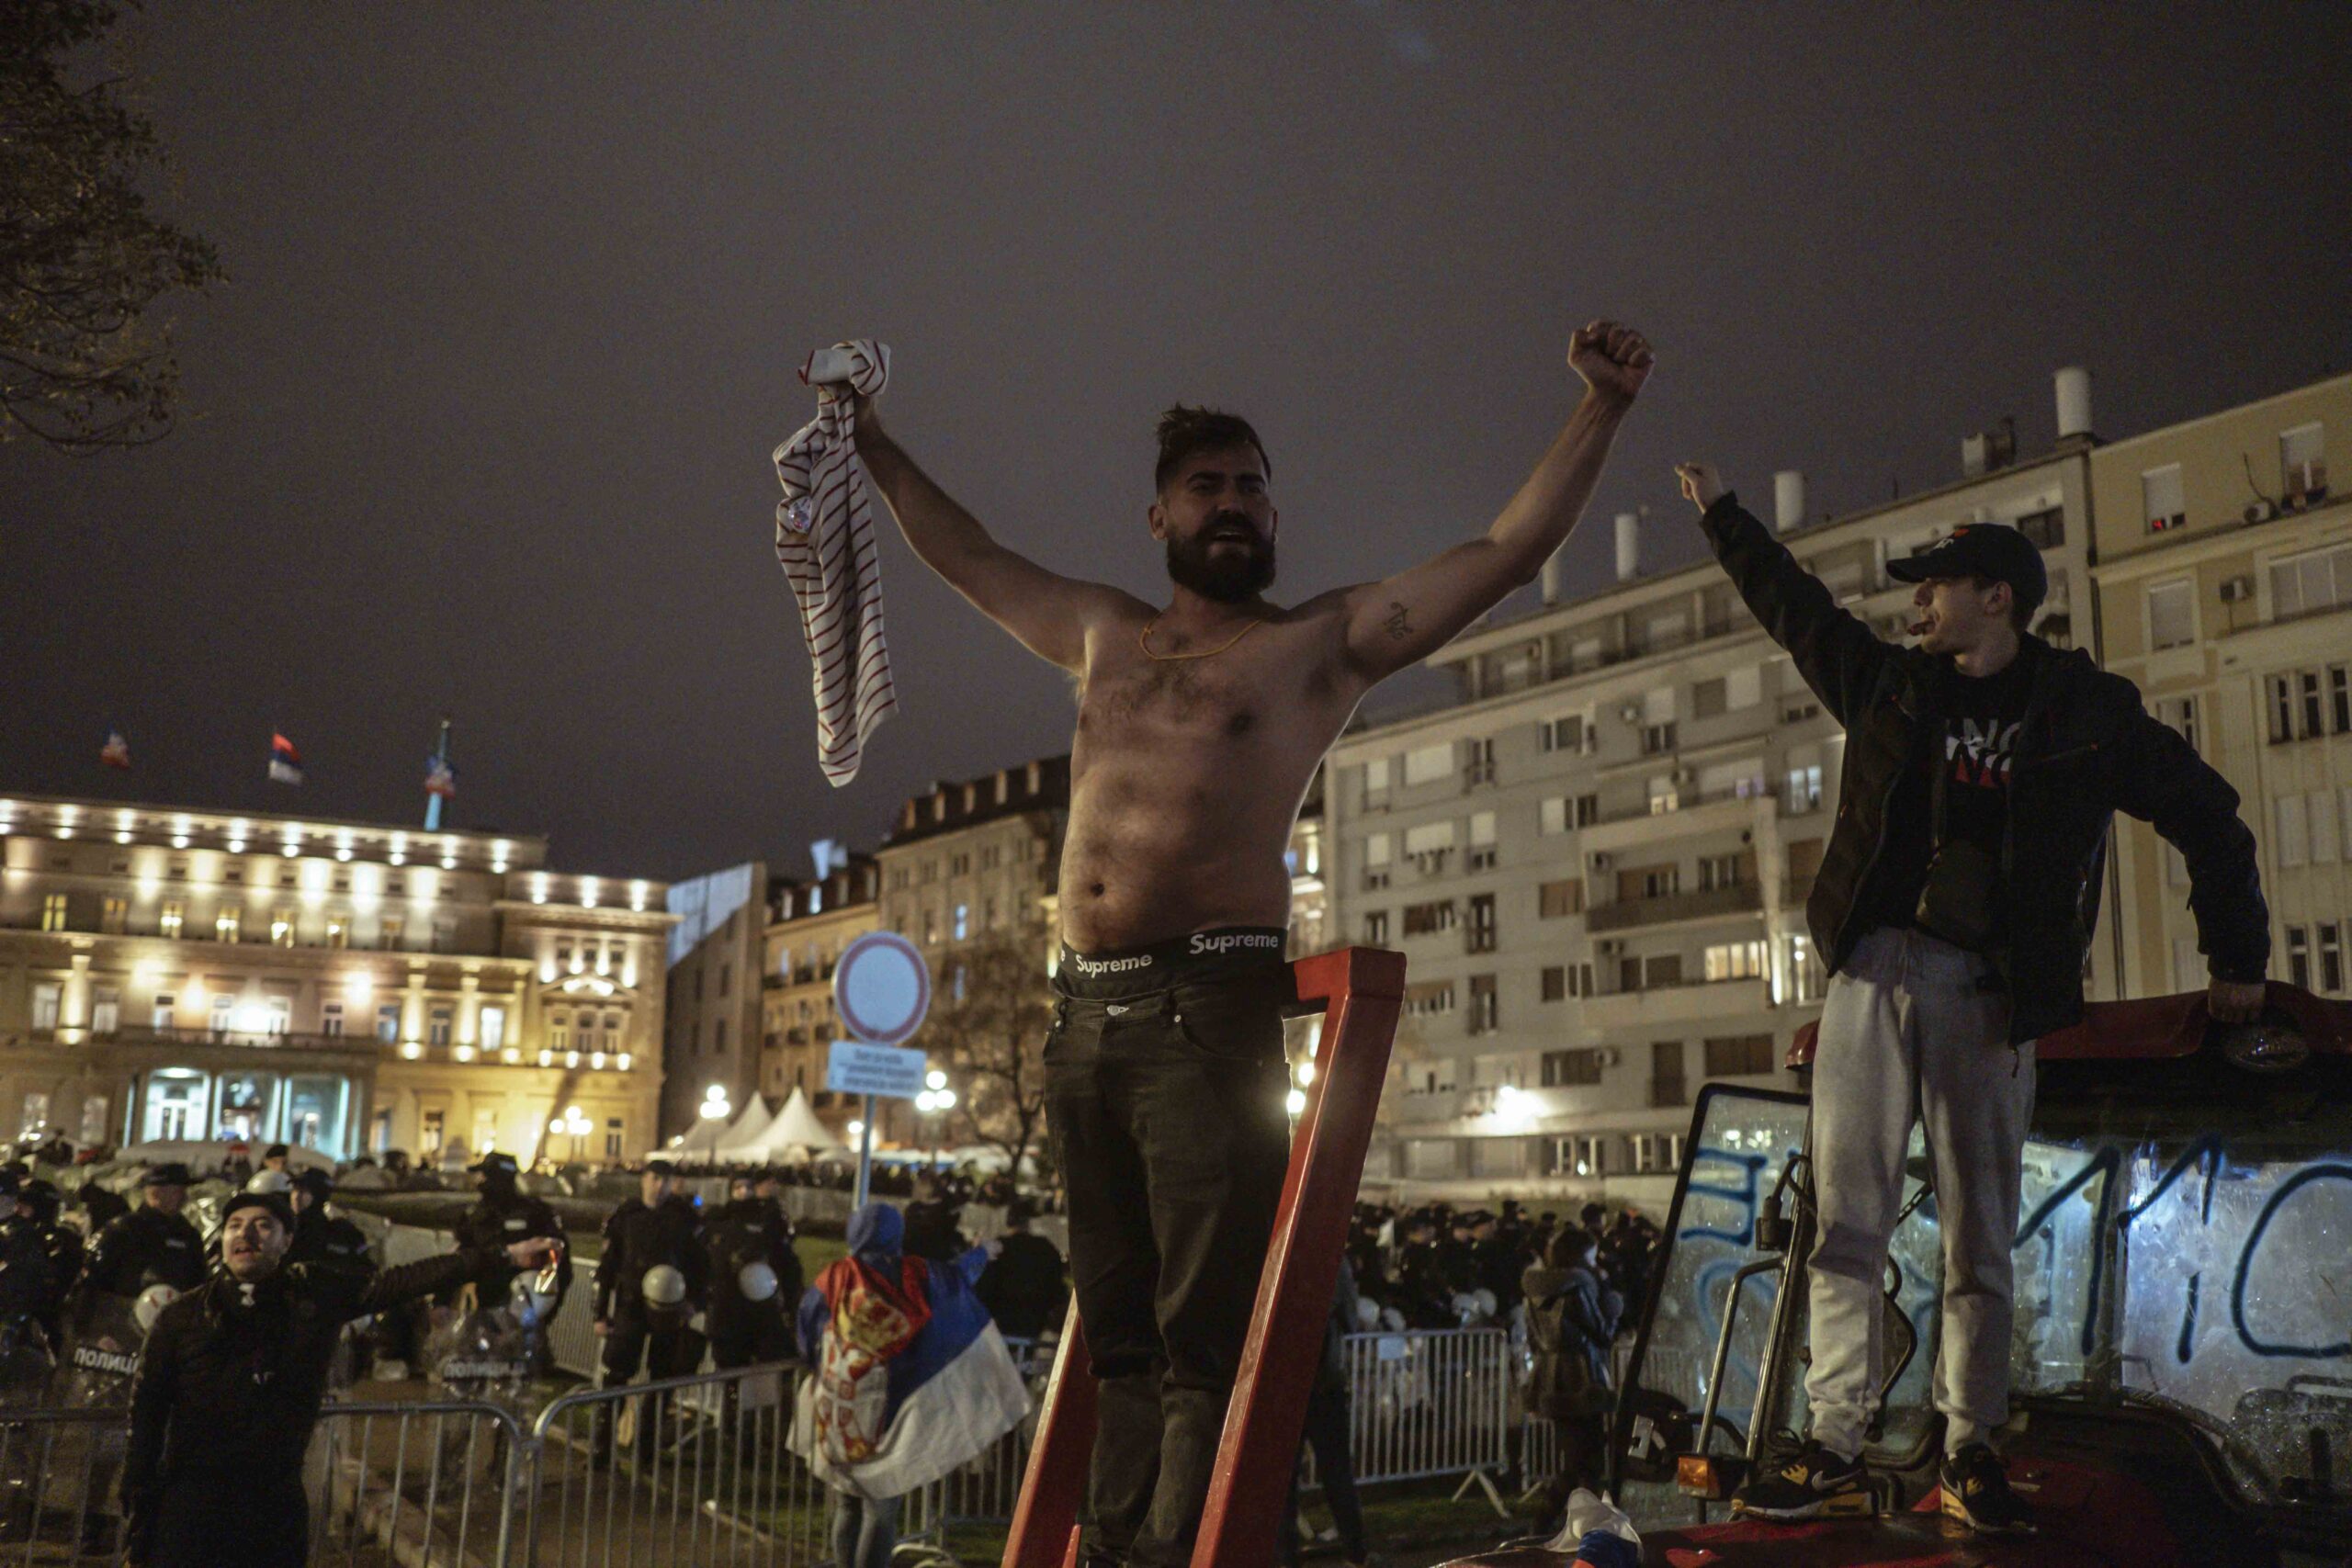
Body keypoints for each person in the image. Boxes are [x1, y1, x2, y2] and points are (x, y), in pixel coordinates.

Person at [842, 319, 1653, 1565]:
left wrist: (1600, 405)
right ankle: (1113, 1550)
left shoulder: (1314, 644)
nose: (1232, 503)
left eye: (1251, 486)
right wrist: (872, 441)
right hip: (1084, 1018)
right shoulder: (1102, 630)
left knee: (1196, 1340)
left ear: (1273, 513)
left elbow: (1503, 553)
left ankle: (1174, 1553)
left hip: (1203, 1012)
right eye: (1206, 486)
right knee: (1117, 1330)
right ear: (1158, 515)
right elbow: (969, 553)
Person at [1676, 463, 2272, 1535]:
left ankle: (1970, 1449)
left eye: (1936, 585)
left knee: (1977, 1235)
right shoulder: (1890, 685)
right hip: (1871, 975)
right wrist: (1724, 517)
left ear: (1996, 596)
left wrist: (2236, 957)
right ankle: (1834, 1443)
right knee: (1845, 1223)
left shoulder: (2087, 713)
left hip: (1988, 992)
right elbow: (1794, 611)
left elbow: (2209, 815)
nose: (1916, 602)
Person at [122, 1188, 555, 1568]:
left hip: (272, 1506)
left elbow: (403, 1281)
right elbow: (147, 1409)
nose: (245, 1234)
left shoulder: (311, 1294)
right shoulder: (183, 1316)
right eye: (234, 1225)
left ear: (286, 1241)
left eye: (262, 1225)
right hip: (190, 1505)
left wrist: (503, 1257)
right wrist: (138, 1504)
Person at [793, 1201, 1022, 1568]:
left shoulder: (835, 1277)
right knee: (880, 1510)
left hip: (837, 1412)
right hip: (887, 1414)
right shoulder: (915, 1276)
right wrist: (983, 1252)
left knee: (847, 1504)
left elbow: (807, 1328)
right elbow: (955, 1277)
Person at [593, 1158, 706, 1465]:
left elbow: (701, 1266)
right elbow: (608, 1267)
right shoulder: (626, 1216)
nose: (660, 1186)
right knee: (616, 1376)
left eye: (666, 1180)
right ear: (643, 1179)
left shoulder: (684, 1218)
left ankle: (646, 1449)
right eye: (655, 1179)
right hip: (630, 1308)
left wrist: (694, 1303)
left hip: (669, 1311)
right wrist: (600, 1313)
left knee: (661, 1381)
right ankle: (602, 1448)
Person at [1521, 1227, 1621, 1530]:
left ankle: (1587, 1524)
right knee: (1584, 1459)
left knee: (1581, 1457)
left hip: (1551, 1378)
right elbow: (1601, 1331)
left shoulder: (1535, 1290)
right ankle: (1546, 1521)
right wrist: (1612, 1302)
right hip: (1581, 1377)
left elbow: (1534, 1338)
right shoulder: (1579, 1286)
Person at [1281, 1254, 1370, 1568]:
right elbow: (1349, 1317)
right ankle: (1355, 1552)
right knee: (1337, 1472)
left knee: (1284, 1478)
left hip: (1282, 1383)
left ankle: (1284, 1556)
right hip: (1323, 1383)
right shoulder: (1332, 1260)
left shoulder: (1272, 1253)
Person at [73, 1165, 205, 1332]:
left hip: (174, 1329)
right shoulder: (123, 1230)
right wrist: (89, 1329)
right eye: (178, 1191)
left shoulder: (188, 1235)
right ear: (156, 1192)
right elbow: (91, 1283)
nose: (184, 1197)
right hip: (123, 1328)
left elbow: (199, 1283)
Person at [452, 1153, 571, 1315]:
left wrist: (543, 1308)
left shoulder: (536, 1213)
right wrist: (443, 1300)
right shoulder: (473, 1215)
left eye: (485, 1174)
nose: (479, 1179)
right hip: (479, 1307)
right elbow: (458, 1260)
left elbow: (558, 1264)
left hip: (522, 1311)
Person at [704, 1171, 797, 1370]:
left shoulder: (770, 1223)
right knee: (729, 1365)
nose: (743, 1192)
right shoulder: (719, 1220)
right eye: (738, 1187)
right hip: (727, 1309)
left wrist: (792, 1305)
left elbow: (787, 1266)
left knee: (765, 1366)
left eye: (748, 1187)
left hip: (761, 1308)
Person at [975, 1197, 1068, 1343]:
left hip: (1001, 1322)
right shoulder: (1045, 1248)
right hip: (1035, 1321)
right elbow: (1057, 1289)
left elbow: (983, 1287)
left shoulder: (998, 1247)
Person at [899, 1170, 966, 1263]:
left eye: (917, 1185)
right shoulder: (914, 1208)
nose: (913, 1189)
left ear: (927, 1187)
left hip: (929, 1257)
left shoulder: (944, 1209)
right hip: (923, 1258)